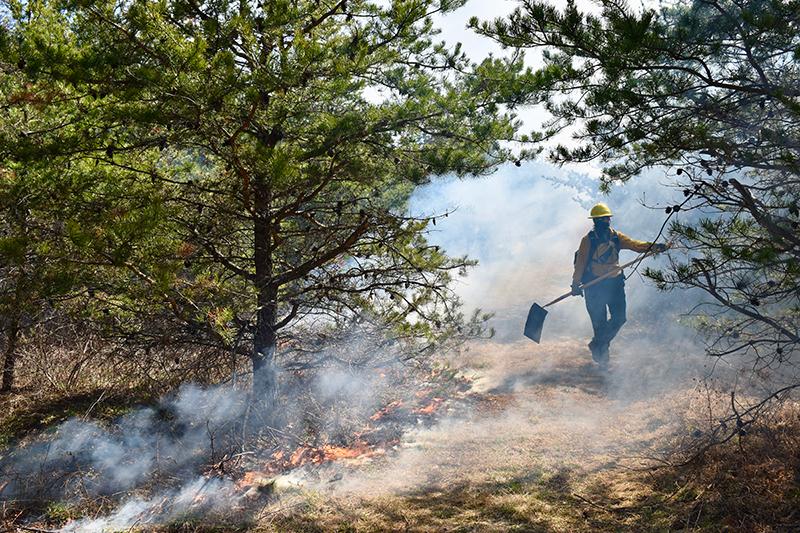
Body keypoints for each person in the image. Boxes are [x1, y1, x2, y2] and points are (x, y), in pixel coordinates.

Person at [571, 203, 668, 368]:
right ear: (594, 221)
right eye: (600, 219)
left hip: (614, 284)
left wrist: (654, 247)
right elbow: (580, 263)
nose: (604, 221)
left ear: (609, 219)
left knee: (619, 318)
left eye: (606, 218)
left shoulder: (616, 237)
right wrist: (575, 284)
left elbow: (636, 245)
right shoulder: (588, 241)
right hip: (594, 286)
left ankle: (597, 344)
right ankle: (603, 362)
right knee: (599, 323)